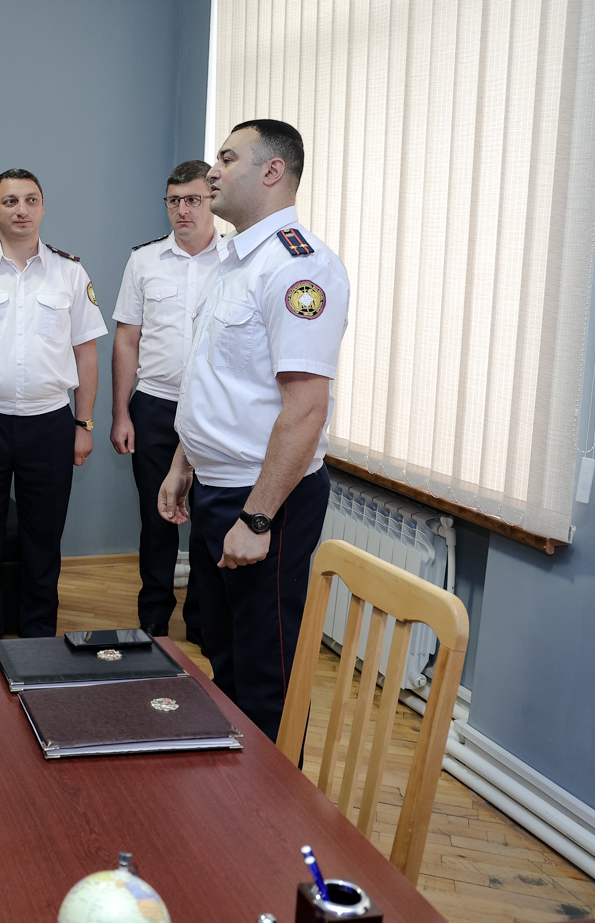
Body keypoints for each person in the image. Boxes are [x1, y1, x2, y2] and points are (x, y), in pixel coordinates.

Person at [159, 119, 350, 741]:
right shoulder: (235, 261)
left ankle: (276, 798)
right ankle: (232, 785)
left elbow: (305, 409)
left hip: (264, 496)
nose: (212, 172)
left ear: (272, 171)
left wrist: (259, 518)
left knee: (268, 670)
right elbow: (215, 379)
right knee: (225, 654)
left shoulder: (299, 268)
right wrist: (183, 464)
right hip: (217, 487)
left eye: (227, 159)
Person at [0, 169, 107, 643]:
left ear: (43, 207)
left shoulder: (70, 273)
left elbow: (86, 353)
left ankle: (37, 639)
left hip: (48, 423)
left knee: (43, 540)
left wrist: (84, 424)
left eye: (31, 200)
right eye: (10, 201)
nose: (22, 210)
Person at [110, 159, 219, 643]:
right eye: (174, 201)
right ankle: (154, 614)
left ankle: (201, 618)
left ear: (212, 200)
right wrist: (120, 412)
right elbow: (126, 339)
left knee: (209, 517)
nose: (182, 209)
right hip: (154, 405)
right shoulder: (144, 261)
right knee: (157, 517)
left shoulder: (237, 260)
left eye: (193, 199)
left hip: (214, 410)